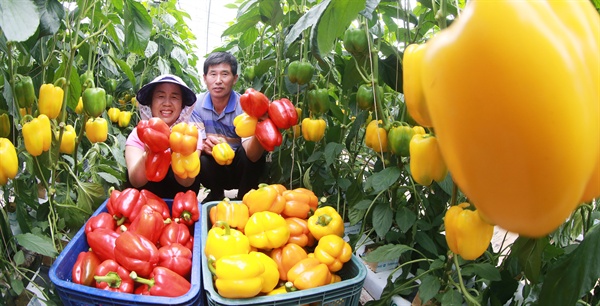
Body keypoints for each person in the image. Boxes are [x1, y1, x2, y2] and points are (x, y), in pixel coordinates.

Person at [190, 52, 266, 202]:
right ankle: (216, 194)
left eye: (225, 74)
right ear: (205, 78)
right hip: (215, 167)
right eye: (213, 74)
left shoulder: (244, 107)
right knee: (200, 157)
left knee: (253, 153)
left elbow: (252, 155)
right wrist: (205, 145)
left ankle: (245, 198)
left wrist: (261, 128)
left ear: (235, 79)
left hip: (238, 168)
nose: (218, 81)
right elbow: (197, 141)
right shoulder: (197, 105)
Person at [124, 74, 203, 199]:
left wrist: (177, 147)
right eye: (160, 96)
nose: (167, 103)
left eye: (175, 97)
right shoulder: (138, 133)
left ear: (182, 105)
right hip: (143, 207)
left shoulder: (190, 133)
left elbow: (187, 182)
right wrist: (151, 150)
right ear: (150, 103)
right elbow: (136, 181)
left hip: (181, 208)